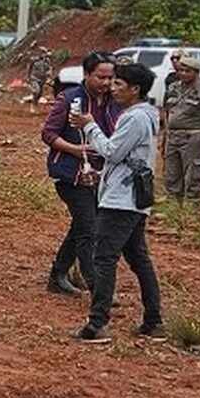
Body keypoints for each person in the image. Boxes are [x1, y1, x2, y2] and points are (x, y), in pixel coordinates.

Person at [71, 62, 164, 343]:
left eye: (119, 84)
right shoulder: (147, 115)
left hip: (121, 201)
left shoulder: (134, 118)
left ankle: (97, 323)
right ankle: (153, 321)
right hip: (132, 196)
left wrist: (90, 127)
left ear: (135, 89)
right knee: (138, 258)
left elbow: (112, 151)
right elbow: (127, 157)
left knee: (104, 258)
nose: (113, 88)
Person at [41, 52, 121, 295]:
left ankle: (58, 274)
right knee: (89, 229)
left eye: (110, 78)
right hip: (70, 175)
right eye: (100, 77)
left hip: (102, 175)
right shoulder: (68, 99)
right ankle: (96, 285)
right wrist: (74, 149)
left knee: (81, 226)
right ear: (87, 75)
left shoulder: (113, 102)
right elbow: (48, 134)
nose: (106, 83)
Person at [161, 55, 200, 203]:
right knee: (172, 171)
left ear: (196, 72)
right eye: (181, 70)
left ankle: (192, 205)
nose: (183, 74)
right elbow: (167, 110)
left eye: (188, 71)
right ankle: (172, 203)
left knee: (194, 172)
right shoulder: (173, 88)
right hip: (173, 135)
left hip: (193, 136)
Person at [28, 47, 53, 114]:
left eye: (44, 53)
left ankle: (35, 104)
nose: (43, 54)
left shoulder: (47, 61)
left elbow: (49, 69)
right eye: (42, 52)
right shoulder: (35, 60)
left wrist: (49, 77)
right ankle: (32, 105)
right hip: (34, 78)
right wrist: (28, 77)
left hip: (42, 79)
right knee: (37, 91)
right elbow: (29, 68)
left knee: (39, 94)